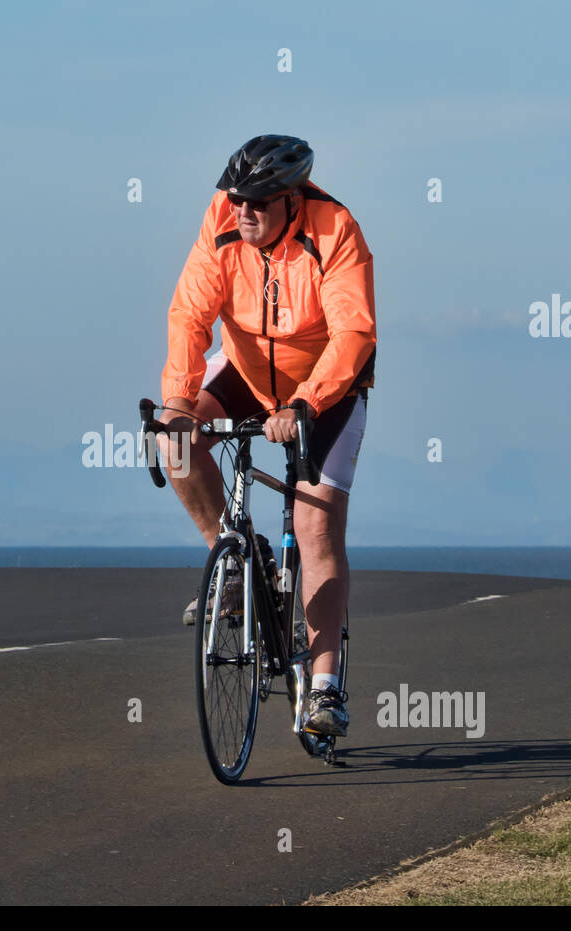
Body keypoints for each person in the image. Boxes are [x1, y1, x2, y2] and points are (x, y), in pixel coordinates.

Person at [158, 134, 376, 736]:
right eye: (235, 198)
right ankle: (233, 564)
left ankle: (326, 688)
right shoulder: (223, 220)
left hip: (327, 389)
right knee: (172, 440)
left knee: (314, 527)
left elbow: (353, 335)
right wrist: (179, 399)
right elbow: (190, 313)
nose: (241, 210)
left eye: (256, 201)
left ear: (292, 200)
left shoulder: (335, 230)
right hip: (250, 377)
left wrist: (305, 402)